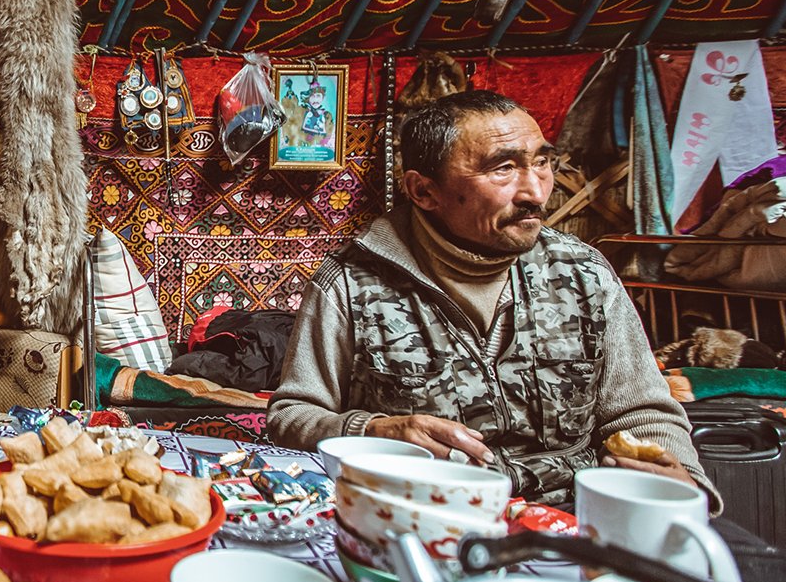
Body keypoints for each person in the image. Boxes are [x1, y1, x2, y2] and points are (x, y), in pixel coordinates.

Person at [268, 90, 714, 506]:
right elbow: (292, 416)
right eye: (502, 168)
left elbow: (642, 412)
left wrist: (683, 481)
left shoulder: (584, 273)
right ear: (424, 191)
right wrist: (374, 430)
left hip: (580, 516)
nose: (536, 192)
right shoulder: (351, 284)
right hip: (424, 513)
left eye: (542, 163)